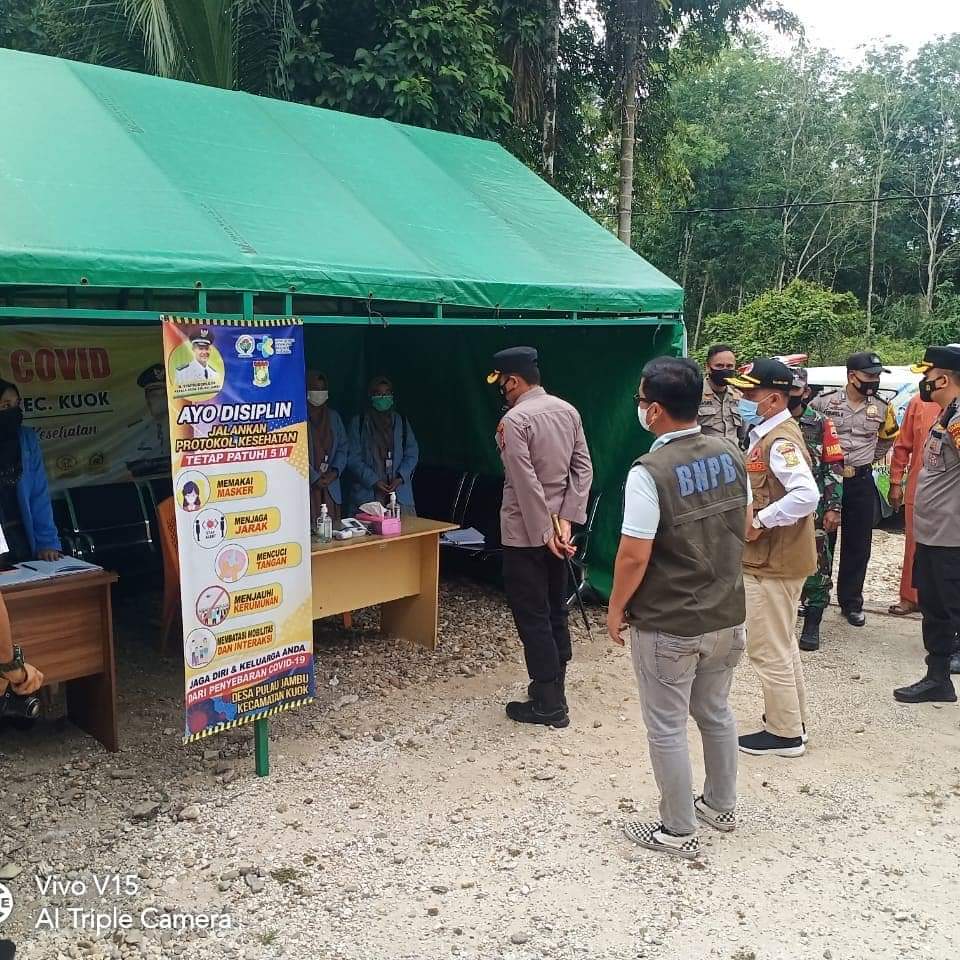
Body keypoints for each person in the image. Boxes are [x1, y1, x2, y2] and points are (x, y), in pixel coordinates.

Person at [607, 357, 749, 860]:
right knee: (715, 711)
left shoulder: (649, 471)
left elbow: (633, 552)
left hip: (670, 620)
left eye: (642, 401)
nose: (640, 408)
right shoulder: (731, 452)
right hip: (727, 613)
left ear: (657, 410)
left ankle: (677, 830)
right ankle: (721, 805)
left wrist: (615, 608)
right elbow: (744, 522)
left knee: (666, 724)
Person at [489, 347, 593, 728]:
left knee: (532, 617)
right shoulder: (569, 410)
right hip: (560, 535)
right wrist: (567, 521)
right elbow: (583, 470)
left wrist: (545, 530)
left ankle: (549, 704)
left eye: (501, 382)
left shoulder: (514, 421)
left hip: (525, 534)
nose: (501, 390)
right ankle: (553, 686)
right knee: (556, 610)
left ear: (513, 381)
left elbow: (524, 480)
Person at [727, 359, 819, 757]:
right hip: (773, 559)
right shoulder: (766, 434)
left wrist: (761, 521)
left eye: (750, 393)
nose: (743, 398)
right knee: (782, 643)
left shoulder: (779, 440)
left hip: (773, 561)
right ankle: (791, 722)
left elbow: (806, 495)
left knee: (767, 647)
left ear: (774, 398)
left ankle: (784, 735)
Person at [810, 352, 899, 626]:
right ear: (852, 376)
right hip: (828, 483)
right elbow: (809, 432)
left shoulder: (884, 408)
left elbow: (888, 439)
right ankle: (814, 598)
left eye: (877, 377)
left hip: (860, 480)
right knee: (822, 540)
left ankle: (851, 602)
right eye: (869, 377)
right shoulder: (824, 403)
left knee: (858, 544)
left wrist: (865, 459)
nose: (874, 382)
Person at [894, 345, 960, 704]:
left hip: (950, 536)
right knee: (934, 608)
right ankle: (937, 679)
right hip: (933, 532)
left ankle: (939, 676)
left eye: (927, 376)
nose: (924, 382)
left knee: (948, 607)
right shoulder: (946, 413)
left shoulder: (958, 418)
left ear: (944, 378)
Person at [789, 366, 844, 652]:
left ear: (806, 393)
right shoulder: (770, 423)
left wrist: (834, 507)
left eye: (795, 391)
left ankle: (812, 623)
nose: (789, 396)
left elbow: (834, 467)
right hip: (780, 509)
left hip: (815, 508)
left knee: (817, 567)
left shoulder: (821, 424)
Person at [888, 392, 942, 616]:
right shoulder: (919, 401)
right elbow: (903, 445)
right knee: (914, 545)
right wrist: (895, 481)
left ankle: (943, 601)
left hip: (952, 492)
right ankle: (911, 597)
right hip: (919, 489)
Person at [0, 380, 61, 563]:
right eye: (4, 406)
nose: (12, 411)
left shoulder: (26, 438)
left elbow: (38, 494)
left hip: (21, 536)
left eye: (15, 404)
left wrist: (48, 543)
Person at [347, 376, 419, 515]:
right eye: (378, 394)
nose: (383, 397)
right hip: (368, 495)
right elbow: (352, 458)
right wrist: (373, 480)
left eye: (387, 393)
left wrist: (399, 477)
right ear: (371, 396)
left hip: (399, 493)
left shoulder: (401, 422)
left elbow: (412, 453)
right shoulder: (359, 423)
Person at [306, 372, 348, 525]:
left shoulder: (333, 417)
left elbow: (343, 448)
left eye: (323, 389)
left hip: (331, 487)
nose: (319, 393)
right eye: (315, 389)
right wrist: (314, 477)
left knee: (333, 531)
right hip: (308, 488)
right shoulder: (298, 418)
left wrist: (334, 472)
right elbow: (294, 452)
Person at [127, 362, 171, 477]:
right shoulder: (135, 430)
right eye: (155, 396)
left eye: (164, 395)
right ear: (147, 399)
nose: (160, 401)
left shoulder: (185, 427)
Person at [698, 344, 743, 442]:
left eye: (730, 366)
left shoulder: (739, 396)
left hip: (733, 453)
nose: (725, 370)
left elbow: (743, 434)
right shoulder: (695, 394)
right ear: (708, 367)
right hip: (705, 455)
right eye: (719, 366)